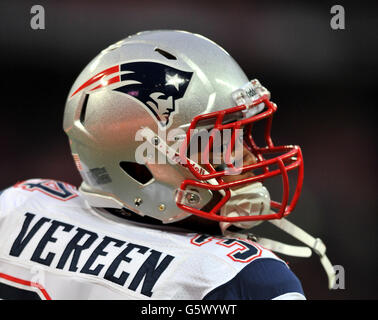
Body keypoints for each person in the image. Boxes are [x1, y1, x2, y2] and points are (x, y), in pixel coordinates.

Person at [0, 30, 334, 300]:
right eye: (217, 143)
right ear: (141, 165)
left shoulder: (17, 208)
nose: (245, 160)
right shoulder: (241, 279)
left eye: (241, 136)